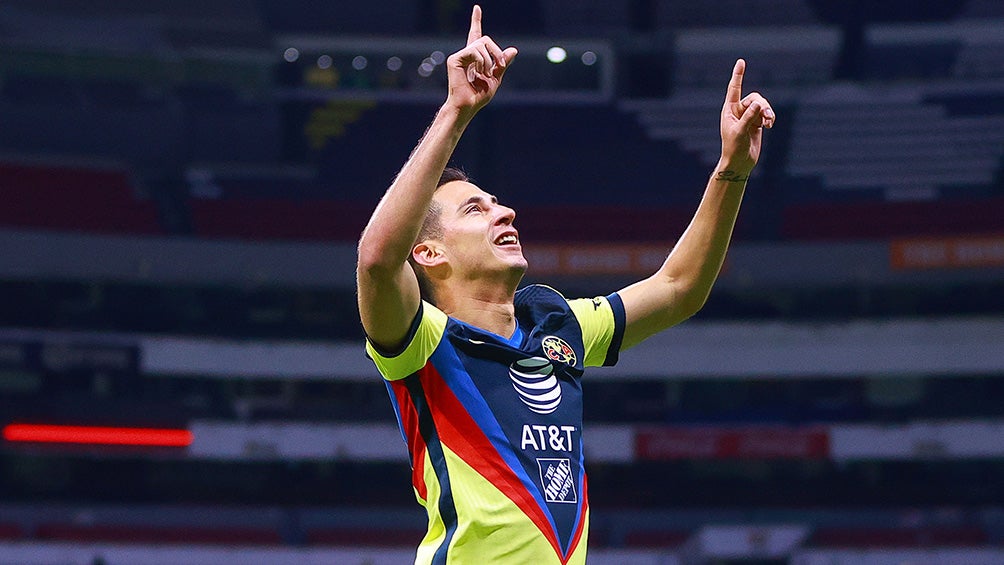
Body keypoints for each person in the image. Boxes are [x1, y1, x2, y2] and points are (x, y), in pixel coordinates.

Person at [356, 5, 774, 564]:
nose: (505, 214)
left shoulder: (559, 325)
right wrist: (457, 111)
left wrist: (732, 170)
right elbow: (379, 261)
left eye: (499, 204)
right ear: (428, 253)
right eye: (476, 210)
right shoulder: (422, 344)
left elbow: (679, 287)